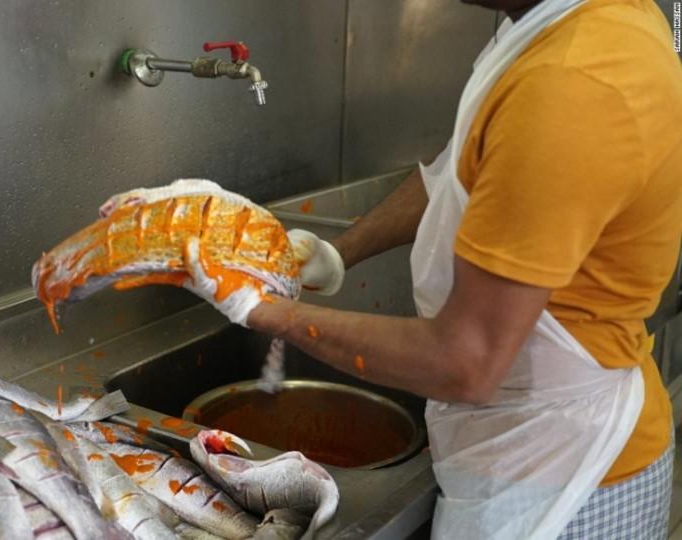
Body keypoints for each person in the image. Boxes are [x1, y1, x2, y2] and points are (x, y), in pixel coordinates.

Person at [180, 0, 682, 537]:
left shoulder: (570, 82)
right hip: (538, 445)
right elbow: (463, 173)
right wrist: (337, 253)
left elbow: (466, 363)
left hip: (563, 481)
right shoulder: (579, 24)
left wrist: (265, 311)